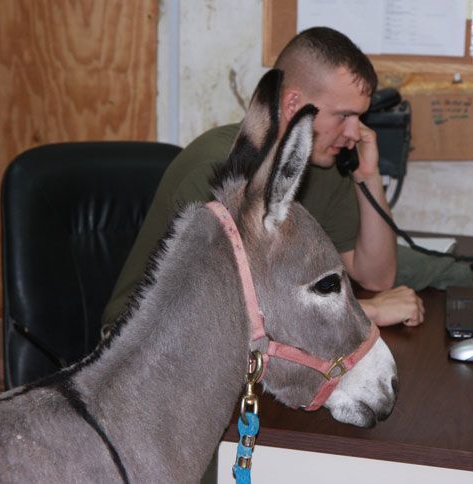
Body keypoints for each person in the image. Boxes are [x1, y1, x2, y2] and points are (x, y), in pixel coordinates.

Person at [101, 26, 425, 336]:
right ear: (293, 104)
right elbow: (224, 310)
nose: (355, 133)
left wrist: (367, 176)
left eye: (360, 117)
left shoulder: (325, 162)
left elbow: (377, 277)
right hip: (142, 346)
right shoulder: (222, 170)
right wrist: (367, 313)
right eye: (343, 116)